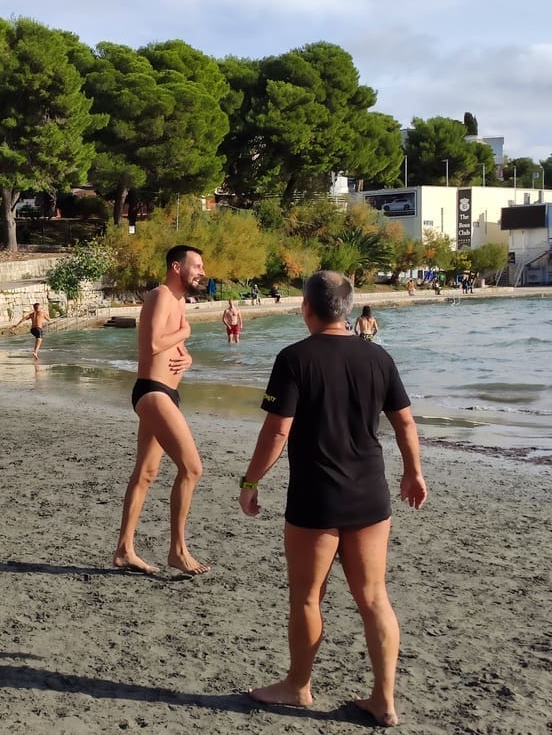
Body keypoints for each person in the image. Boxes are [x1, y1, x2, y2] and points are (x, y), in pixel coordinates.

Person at [237, 270, 427, 728]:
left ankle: (298, 686)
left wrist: (251, 481)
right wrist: (413, 472)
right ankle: (384, 700)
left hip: (316, 497)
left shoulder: (294, 358)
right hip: (369, 495)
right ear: (347, 308)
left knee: (307, 597)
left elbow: (277, 430)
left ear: (306, 308)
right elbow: (404, 422)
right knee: (374, 597)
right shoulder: (378, 357)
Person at [112, 244, 209, 577]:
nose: (202, 272)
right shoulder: (160, 296)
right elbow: (152, 344)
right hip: (153, 392)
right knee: (192, 469)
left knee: (146, 473)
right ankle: (178, 551)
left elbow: (174, 347)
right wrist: (186, 331)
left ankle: (124, 550)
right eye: (197, 265)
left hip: (167, 392)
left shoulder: (178, 301)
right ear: (177, 267)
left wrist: (188, 355)